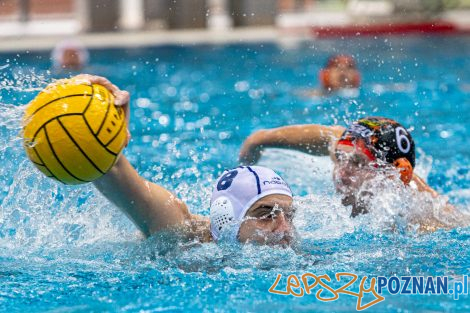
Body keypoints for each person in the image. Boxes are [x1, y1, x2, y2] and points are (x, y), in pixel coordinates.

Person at [74, 75, 296, 246]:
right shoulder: (180, 234)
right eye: (266, 215)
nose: (284, 230)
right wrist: (94, 119)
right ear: (226, 218)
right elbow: (110, 169)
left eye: (289, 216)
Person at [239, 117, 459, 229]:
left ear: (393, 174)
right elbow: (258, 138)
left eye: (357, 163)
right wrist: (254, 146)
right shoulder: (348, 145)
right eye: (339, 159)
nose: (341, 174)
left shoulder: (426, 218)